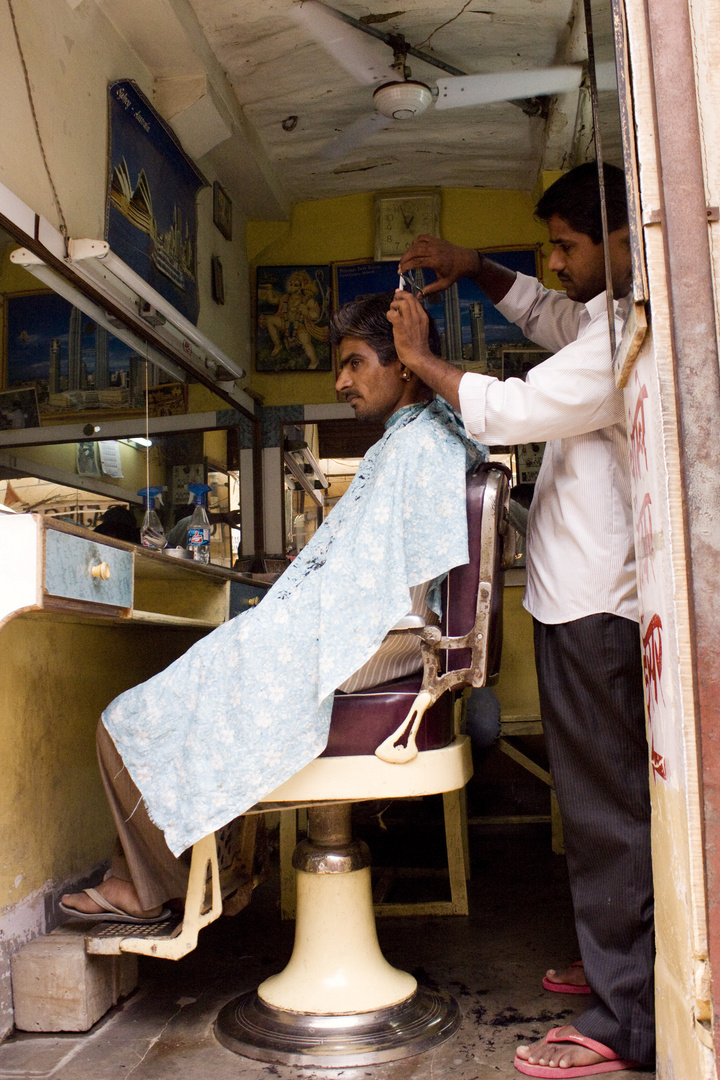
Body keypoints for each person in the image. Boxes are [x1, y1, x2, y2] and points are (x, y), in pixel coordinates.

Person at [61, 294, 486, 924]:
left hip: (372, 648)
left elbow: (396, 595)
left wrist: (296, 615)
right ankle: (200, 877)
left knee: (125, 722)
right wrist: (300, 592)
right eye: (337, 368)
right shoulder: (419, 441)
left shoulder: (417, 447)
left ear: (403, 364)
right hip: (368, 640)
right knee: (188, 689)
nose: (341, 381)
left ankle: (158, 884)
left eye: (354, 363)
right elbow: (382, 569)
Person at [394, 162, 653, 1076]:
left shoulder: (626, 328)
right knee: (600, 807)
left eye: (569, 246)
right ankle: (627, 968)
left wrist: (422, 358)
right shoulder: (598, 314)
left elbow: (510, 409)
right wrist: (474, 266)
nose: (556, 262)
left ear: (625, 239)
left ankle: (634, 1020)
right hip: (575, 604)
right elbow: (548, 313)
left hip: (599, 612)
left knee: (607, 813)